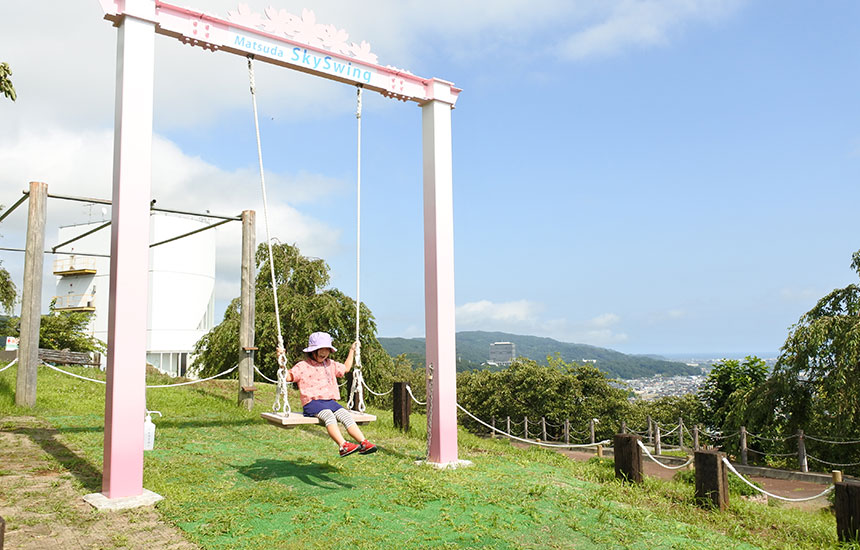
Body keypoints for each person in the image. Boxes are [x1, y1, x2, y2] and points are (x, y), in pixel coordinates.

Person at [280, 331, 377, 457]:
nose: (324, 352)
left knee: (346, 415)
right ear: (312, 351)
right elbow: (288, 377)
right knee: (329, 415)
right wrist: (281, 360)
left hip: (330, 401)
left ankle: (363, 442)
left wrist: (352, 350)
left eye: (326, 349)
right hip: (312, 402)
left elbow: (346, 368)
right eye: (320, 349)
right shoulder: (303, 366)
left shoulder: (330, 364)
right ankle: (343, 445)